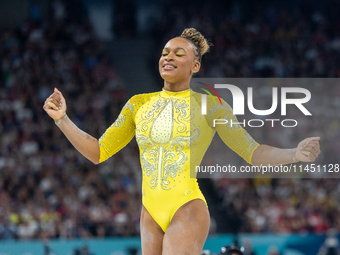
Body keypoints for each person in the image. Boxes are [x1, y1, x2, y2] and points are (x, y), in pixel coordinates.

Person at [43, 28, 321, 255]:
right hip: (149, 211)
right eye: (164, 53)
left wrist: (294, 154)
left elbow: (253, 152)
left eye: (179, 53)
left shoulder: (211, 106)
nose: (168, 57)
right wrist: (62, 119)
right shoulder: (138, 104)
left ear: (195, 65)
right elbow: (98, 151)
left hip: (186, 206)